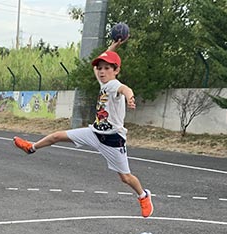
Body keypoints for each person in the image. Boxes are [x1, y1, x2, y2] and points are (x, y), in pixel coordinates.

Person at [12, 41, 153, 218]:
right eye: (99, 68)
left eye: (106, 68)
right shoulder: (104, 82)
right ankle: (30, 148)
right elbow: (99, 66)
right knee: (57, 136)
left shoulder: (113, 85)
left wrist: (130, 97)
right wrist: (112, 47)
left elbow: (125, 89)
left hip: (113, 140)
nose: (101, 71)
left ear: (116, 70)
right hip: (95, 133)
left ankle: (143, 195)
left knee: (125, 178)